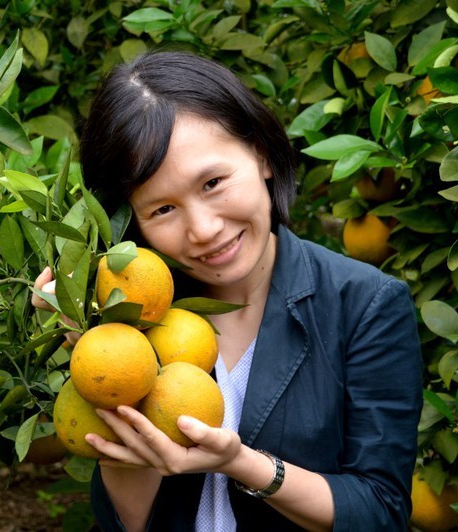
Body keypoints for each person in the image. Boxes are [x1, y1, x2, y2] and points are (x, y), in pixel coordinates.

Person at [33, 50, 422, 531]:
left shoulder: (364, 304)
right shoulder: (136, 317)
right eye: (163, 210)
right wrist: (100, 364)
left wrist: (243, 464)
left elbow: (380, 511)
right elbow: (130, 524)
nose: (203, 229)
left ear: (259, 152)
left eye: (213, 182)